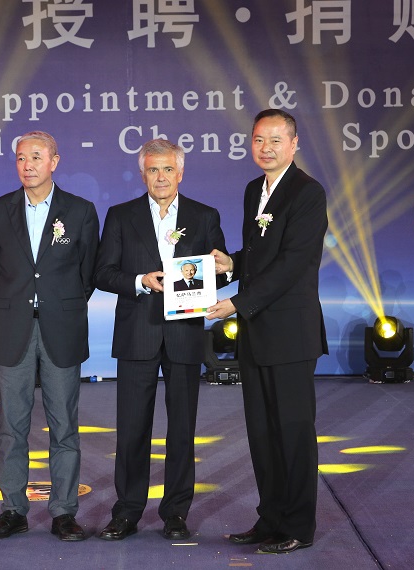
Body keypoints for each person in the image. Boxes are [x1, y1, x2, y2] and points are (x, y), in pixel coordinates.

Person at [208, 109, 328, 555]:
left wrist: (237, 303)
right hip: (257, 332)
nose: (266, 148)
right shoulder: (252, 190)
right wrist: (233, 264)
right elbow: (262, 254)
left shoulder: (307, 192)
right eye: (259, 139)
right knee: (261, 433)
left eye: (276, 140)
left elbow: (293, 263)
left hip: (290, 333)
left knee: (293, 432)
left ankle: (298, 525)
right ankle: (270, 518)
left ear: (294, 145)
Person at [94, 139, 227, 541]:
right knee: (132, 429)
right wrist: (140, 281)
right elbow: (103, 273)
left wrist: (219, 274)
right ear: (143, 174)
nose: (161, 177)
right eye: (153, 170)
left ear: (180, 173)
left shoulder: (205, 216)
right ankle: (127, 512)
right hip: (138, 333)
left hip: (185, 334)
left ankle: (176, 513)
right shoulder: (121, 216)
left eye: (168, 169)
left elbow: (220, 271)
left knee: (182, 430)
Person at [0, 131, 99, 542]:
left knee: (64, 426)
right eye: (20, 158)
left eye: (35, 156)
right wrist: (17, 301)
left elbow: (88, 273)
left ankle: (64, 512)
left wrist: (55, 303)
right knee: (11, 427)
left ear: (54, 162)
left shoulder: (80, 211)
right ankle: (13, 510)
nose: (27, 165)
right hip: (13, 328)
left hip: (61, 329)